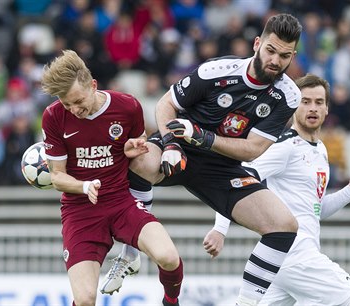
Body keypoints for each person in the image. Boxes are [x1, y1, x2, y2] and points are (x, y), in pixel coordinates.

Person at [102, 13, 303, 306]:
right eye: (270, 50)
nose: (275, 60)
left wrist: (204, 137)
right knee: (140, 161)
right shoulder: (217, 71)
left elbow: (252, 149)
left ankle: (246, 303)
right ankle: (130, 253)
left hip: (223, 166)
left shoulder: (287, 96)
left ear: (292, 56)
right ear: (257, 43)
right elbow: (166, 104)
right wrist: (170, 143)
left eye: (284, 55)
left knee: (284, 225)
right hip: (180, 148)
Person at [203, 74, 350, 306]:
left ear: (327, 109)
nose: (312, 108)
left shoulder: (320, 150)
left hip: (282, 259)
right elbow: (237, 179)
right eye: (305, 102)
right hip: (298, 255)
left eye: (318, 102)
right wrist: (220, 229)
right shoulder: (284, 146)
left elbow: (315, 210)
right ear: (294, 106)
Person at [40, 50, 183, 306]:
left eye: (78, 100)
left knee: (169, 256)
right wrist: (84, 186)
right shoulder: (53, 116)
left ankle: (171, 302)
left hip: (120, 202)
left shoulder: (127, 107)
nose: (74, 110)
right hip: (80, 211)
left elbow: (137, 153)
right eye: (66, 104)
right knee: (85, 299)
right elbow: (57, 177)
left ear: (93, 85)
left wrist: (128, 149)